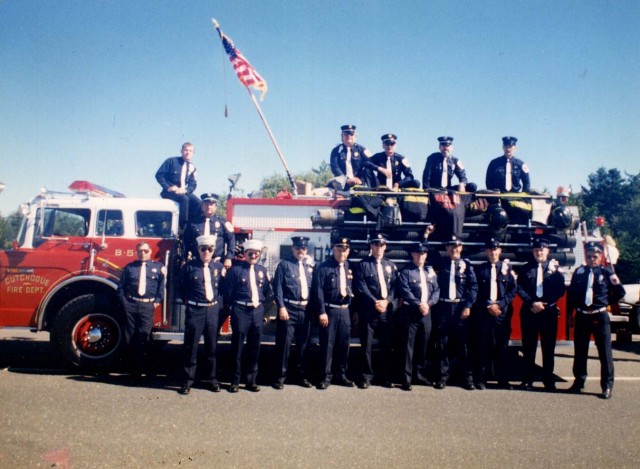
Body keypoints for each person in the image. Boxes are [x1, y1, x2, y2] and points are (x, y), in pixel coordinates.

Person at [567, 242, 625, 399]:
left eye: (595, 256)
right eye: (589, 256)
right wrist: (569, 314)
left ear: (601, 256)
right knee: (580, 351)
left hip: (599, 316)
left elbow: (621, 291)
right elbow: (571, 296)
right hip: (582, 315)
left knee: (605, 353)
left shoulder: (607, 273)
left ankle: (606, 386)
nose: (592, 259)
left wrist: (606, 302)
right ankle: (578, 382)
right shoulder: (579, 272)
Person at [516, 238, 566, 391]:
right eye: (536, 250)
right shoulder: (525, 269)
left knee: (548, 348)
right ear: (533, 251)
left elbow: (560, 289)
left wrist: (546, 304)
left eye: (542, 250)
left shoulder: (555, 270)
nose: (539, 252)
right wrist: (532, 303)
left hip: (548, 312)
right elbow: (520, 288)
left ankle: (548, 380)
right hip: (529, 311)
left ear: (547, 251)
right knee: (528, 348)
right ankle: (527, 380)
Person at [177, 235, 224, 395]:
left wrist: (218, 307)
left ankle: (211, 380)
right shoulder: (189, 268)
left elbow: (223, 290)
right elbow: (180, 287)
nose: (206, 252)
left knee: (212, 347)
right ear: (198, 249)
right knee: (191, 348)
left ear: (213, 250)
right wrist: (190, 304)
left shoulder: (218, 267)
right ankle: (187, 381)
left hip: (212, 311)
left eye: (210, 249)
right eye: (203, 249)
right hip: (195, 311)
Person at [223, 239, 272, 393]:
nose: (253, 255)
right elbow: (228, 293)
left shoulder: (262, 271)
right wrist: (235, 309)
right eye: (250, 253)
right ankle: (235, 381)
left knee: (255, 346)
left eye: (256, 253)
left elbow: (265, 291)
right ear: (244, 254)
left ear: (259, 255)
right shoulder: (236, 271)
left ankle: (251, 380)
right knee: (237, 346)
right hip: (240, 311)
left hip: (256, 311)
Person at [432, 235, 478, 390]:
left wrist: (468, 306)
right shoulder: (440, 263)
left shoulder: (467, 265)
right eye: (451, 246)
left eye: (457, 246)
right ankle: (442, 377)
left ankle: (467, 378)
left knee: (464, 344)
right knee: (442, 344)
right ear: (446, 249)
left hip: (460, 309)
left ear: (461, 248)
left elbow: (473, 287)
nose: (454, 249)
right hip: (443, 308)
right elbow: (424, 253)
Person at [471, 239, 517, 390]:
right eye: (490, 249)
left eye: (495, 249)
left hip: (501, 314)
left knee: (501, 347)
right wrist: (488, 305)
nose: (493, 252)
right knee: (482, 347)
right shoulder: (480, 270)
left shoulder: (507, 268)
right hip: (484, 314)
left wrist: (500, 305)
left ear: (500, 251)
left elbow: (512, 291)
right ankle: (480, 379)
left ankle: (502, 380)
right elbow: (475, 291)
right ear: (486, 252)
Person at [353, 233, 397, 388]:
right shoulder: (362, 265)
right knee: (367, 345)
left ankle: (384, 377)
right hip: (369, 311)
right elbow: (360, 287)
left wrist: (387, 301)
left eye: (382, 245)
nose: (379, 248)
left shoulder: (390, 265)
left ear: (385, 247)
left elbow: (394, 288)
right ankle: (366, 377)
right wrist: (375, 302)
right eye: (376, 244)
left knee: (386, 345)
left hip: (386, 311)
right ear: (371, 246)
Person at [394, 242, 440, 391]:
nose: (421, 256)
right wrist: (419, 304)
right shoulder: (406, 272)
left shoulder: (430, 272)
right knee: (408, 346)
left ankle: (419, 375)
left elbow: (436, 290)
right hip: (410, 313)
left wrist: (429, 304)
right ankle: (406, 378)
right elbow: (404, 290)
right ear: (413, 254)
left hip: (426, 313)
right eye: (418, 253)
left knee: (423, 345)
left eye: (423, 253)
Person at [312, 237, 355, 389]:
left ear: (348, 251)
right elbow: (318, 291)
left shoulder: (349, 266)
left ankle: (341, 374)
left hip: (345, 310)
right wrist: (322, 312)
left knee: (344, 344)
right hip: (330, 310)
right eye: (339, 249)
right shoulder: (323, 267)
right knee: (327, 345)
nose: (342, 252)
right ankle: (325, 376)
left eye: (345, 249)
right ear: (333, 249)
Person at [271, 236, 314, 389]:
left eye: (302, 248)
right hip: (288, 309)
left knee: (304, 345)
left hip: (306, 310)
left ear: (306, 249)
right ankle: (280, 377)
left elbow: (314, 290)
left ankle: (302, 376)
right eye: (297, 248)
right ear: (292, 249)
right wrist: (281, 307)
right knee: (284, 345)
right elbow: (278, 288)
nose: (300, 251)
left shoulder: (310, 267)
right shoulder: (284, 265)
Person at [117, 242, 164, 378]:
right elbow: (121, 287)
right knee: (130, 337)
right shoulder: (130, 268)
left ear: (150, 251)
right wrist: (125, 303)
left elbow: (161, 287)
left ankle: (142, 370)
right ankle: (131, 371)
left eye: (145, 250)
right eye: (140, 251)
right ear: (137, 252)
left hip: (147, 306)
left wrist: (156, 302)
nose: (142, 253)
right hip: (131, 304)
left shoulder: (158, 267)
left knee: (144, 336)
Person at [183, 192, 236, 269]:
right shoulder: (193, 223)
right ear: (202, 206)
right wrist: (184, 259)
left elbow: (231, 240)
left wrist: (229, 258)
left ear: (216, 207)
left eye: (211, 204)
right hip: (196, 263)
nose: (209, 206)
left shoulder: (223, 222)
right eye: (206, 204)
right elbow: (186, 242)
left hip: (216, 263)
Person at [155, 142, 200, 227]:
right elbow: (159, 175)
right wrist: (168, 187)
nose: (188, 152)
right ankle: (181, 227)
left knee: (198, 203)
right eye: (186, 150)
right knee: (184, 199)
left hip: (183, 191)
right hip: (169, 192)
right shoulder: (171, 161)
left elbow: (193, 184)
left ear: (193, 153)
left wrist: (186, 190)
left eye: (190, 151)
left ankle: (193, 226)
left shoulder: (192, 167)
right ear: (181, 151)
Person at [329, 125, 372, 189]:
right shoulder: (336, 151)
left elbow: (369, 165)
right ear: (342, 137)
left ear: (355, 137)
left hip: (359, 183)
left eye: (351, 134)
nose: (349, 136)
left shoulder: (362, 150)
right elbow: (335, 167)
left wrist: (360, 179)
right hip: (341, 184)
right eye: (346, 134)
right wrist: (346, 180)